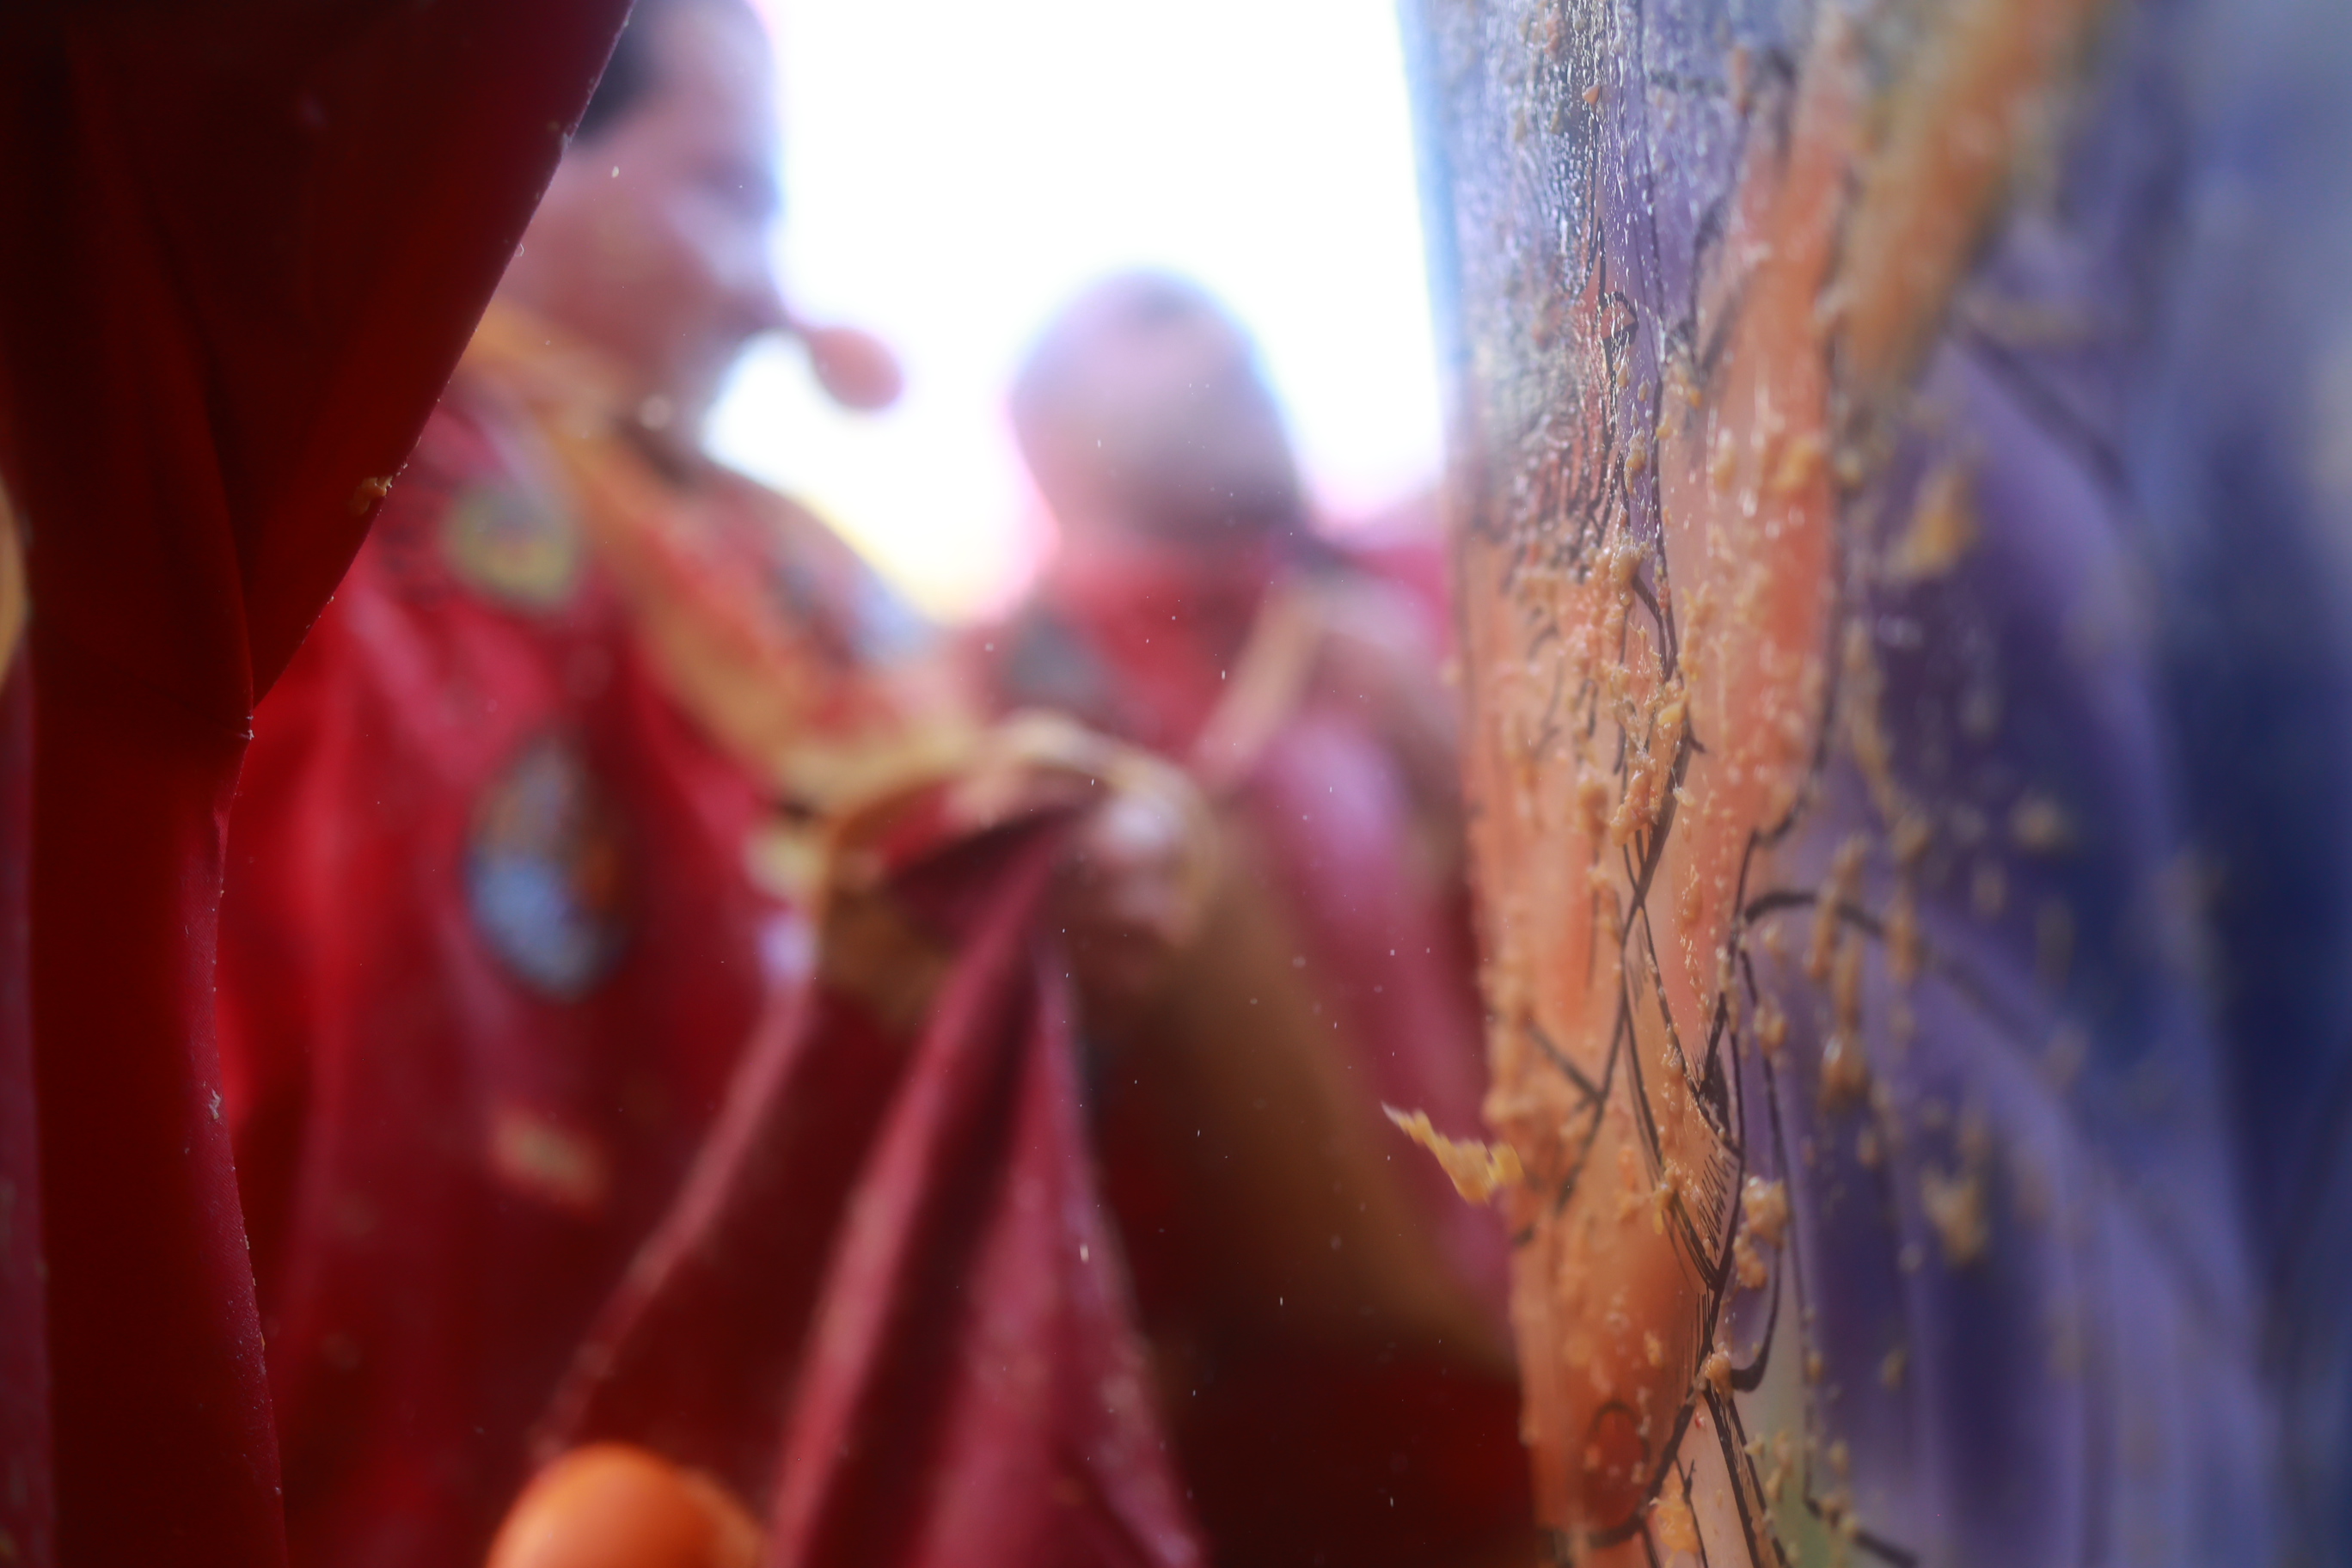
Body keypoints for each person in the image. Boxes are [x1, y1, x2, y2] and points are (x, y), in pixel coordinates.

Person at [219, 8, 1511, 1566]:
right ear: (512, 156)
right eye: (724, 196)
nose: (772, 298)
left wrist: (1107, 860)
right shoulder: (339, 495)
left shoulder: (782, 559)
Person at [986, 274, 1529, 1567]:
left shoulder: (1410, 607)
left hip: (1553, 1392)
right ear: (1048, 430)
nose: (1231, 345)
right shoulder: (1004, 706)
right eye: (1155, 320)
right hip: (1268, 1474)